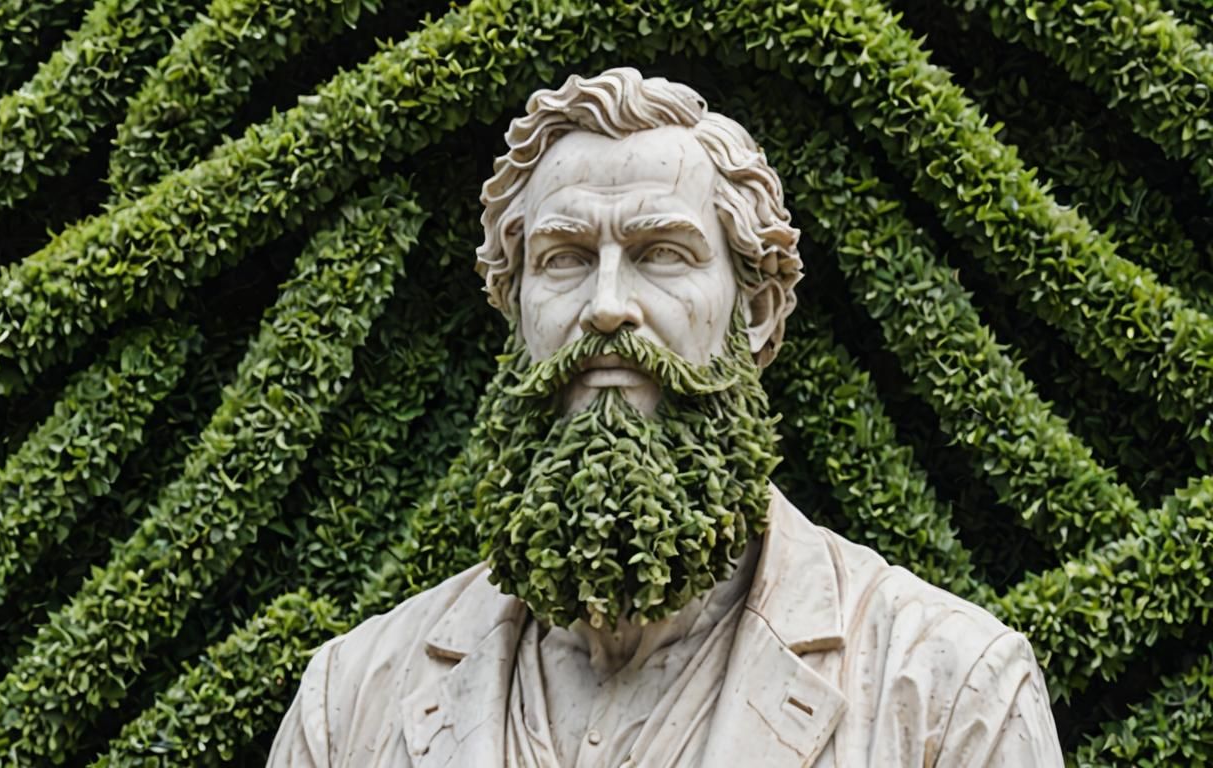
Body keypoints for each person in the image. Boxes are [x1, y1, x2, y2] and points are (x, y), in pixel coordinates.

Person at [269, 67, 1065, 767]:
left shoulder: (949, 690)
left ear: (753, 309)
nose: (608, 307)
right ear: (516, 313)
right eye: (564, 259)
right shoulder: (348, 703)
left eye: (662, 253)